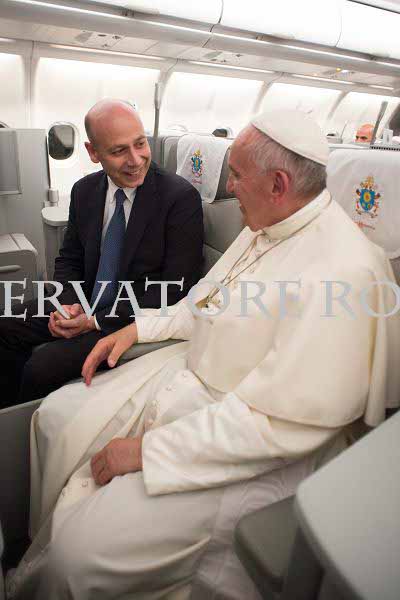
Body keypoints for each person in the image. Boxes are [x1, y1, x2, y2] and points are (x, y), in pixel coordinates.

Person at [8, 109, 400, 600]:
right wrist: (137, 329)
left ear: (278, 184)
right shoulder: (269, 225)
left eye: (236, 175)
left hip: (256, 440)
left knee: (80, 554)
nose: (228, 188)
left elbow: (281, 425)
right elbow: (205, 301)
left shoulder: (345, 273)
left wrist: (146, 450)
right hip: (194, 373)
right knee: (55, 419)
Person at [0, 99, 203, 406]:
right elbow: (70, 257)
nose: (135, 160)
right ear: (93, 152)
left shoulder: (179, 198)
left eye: (140, 144)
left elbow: (175, 288)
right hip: (83, 301)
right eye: (119, 151)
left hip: (127, 316)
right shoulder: (84, 191)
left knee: (41, 367)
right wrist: (67, 304)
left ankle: (25, 425)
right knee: (5, 325)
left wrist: (94, 320)